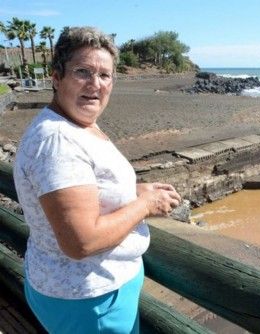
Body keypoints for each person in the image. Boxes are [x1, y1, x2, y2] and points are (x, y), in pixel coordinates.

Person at [13, 26, 181, 333]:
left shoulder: (75, 123)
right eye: (83, 71)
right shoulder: (58, 142)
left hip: (79, 293)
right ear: (56, 77)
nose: (95, 84)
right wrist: (145, 204)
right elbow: (82, 242)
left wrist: (131, 190)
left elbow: (84, 187)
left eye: (105, 75)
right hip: (90, 302)